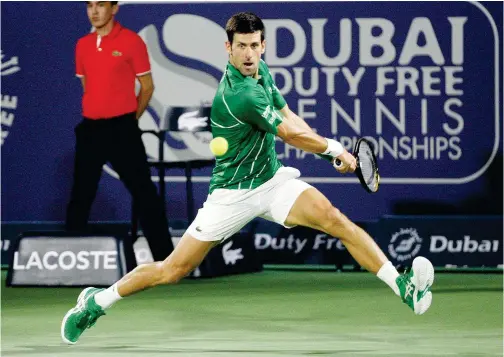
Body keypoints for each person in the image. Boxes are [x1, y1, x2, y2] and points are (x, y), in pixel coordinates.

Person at [61, 12, 435, 344]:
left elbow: (289, 117)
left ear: (263, 45)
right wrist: (335, 149)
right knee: (172, 270)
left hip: (272, 183)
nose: (248, 54)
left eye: (255, 46)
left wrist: (329, 151)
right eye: (241, 46)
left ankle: (404, 289)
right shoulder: (240, 94)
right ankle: (96, 301)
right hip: (231, 195)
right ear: (228, 47)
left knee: (336, 219)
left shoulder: (260, 71)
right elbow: (288, 135)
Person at [65, 1, 174, 261]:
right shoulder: (82, 45)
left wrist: (128, 118)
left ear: (114, 9)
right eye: (89, 5)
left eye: (101, 4)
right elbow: (87, 85)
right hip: (90, 129)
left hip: (122, 128)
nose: (94, 11)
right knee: (81, 192)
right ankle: (67, 256)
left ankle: (166, 259)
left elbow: (147, 87)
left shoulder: (131, 42)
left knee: (143, 191)